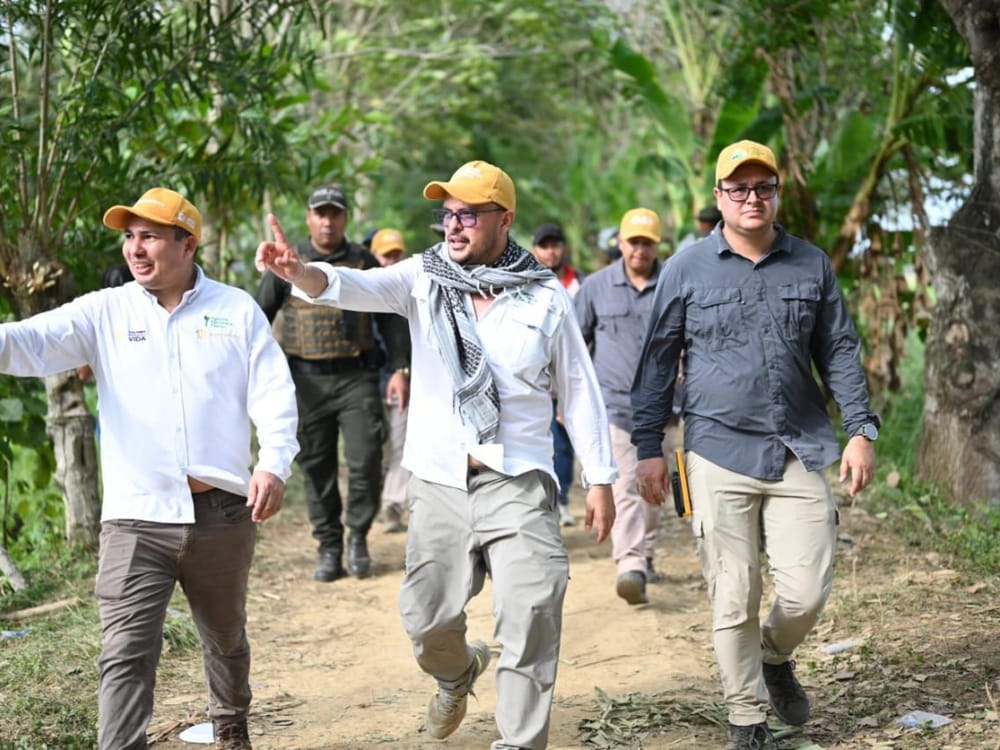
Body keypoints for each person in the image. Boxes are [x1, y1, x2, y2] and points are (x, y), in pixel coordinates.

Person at [255, 160, 617, 750]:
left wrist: (600, 478)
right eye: (446, 214)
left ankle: (520, 740)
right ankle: (456, 672)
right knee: (426, 624)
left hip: (517, 476)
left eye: (467, 214)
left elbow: (578, 390)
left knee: (532, 609)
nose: (452, 226)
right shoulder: (424, 276)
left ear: (505, 219)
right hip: (440, 479)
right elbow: (356, 287)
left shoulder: (545, 295)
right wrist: (303, 273)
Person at [0, 187, 299, 750]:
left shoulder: (234, 309)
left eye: (150, 237)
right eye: (130, 237)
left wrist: (274, 463)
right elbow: (29, 342)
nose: (136, 250)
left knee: (225, 636)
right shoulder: (103, 310)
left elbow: (273, 393)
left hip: (221, 512)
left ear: (187, 243)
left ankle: (232, 724)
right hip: (135, 517)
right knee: (125, 650)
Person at [631, 140, 879, 750]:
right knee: (733, 592)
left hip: (797, 445)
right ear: (718, 197)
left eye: (762, 187)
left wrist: (861, 430)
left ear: (776, 194)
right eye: (738, 188)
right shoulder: (686, 268)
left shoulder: (811, 264)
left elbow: (840, 349)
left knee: (807, 587)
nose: (751, 198)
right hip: (716, 450)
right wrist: (649, 446)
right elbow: (658, 362)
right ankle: (747, 716)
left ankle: (773, 656)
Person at [254, 185, 409, 582]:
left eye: (335, 214)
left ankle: (357, 536)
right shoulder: (288, 261)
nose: (328, 221)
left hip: (356, 376)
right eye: (320, 213)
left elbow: (391, 320)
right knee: (317, 467)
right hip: (305, 381)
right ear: (308, 218)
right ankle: (329, 546)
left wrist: (399, 369)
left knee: (365, 459)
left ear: (345, 219)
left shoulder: (363, 260)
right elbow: (256, 319)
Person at [575, 208, 677, 606]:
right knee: (626, 487)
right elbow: (574, 347)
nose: (640, 249)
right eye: (633, 241)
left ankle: (645, 554)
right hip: (613, 405)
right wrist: (568, 399)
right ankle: (630, 565)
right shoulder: (596, 287)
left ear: (657, 245)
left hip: (665, 406)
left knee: (653, 489)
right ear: (620, 243)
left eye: (647, 243)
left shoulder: (673, 282)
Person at [529, 222, 584, 527]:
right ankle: (539, 503)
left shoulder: (579, 284)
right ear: (536, 249)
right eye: (544, 246)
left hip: (566, 382)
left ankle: (561, 499)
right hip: (534, 380)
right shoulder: (524, 284)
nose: (551, 251)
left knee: (563, 445)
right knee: (538, 442)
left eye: (555, 245)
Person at [370, 228, 412, 532]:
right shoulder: (359, 289)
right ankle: (374, 502)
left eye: (396, 255)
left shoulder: (410, 292)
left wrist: (404, 372)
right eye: (386, 255)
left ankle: (393, 505)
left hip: (402, 379)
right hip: (362, 380)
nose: (391, 261)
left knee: (400, 443)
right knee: (372, 447)